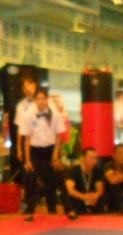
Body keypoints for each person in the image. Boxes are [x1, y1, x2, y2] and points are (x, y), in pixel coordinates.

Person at [18, 89, 65, 221]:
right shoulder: (29, 114)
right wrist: (28, 160)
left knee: (55, 179)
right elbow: (27, 139)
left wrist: (55, 155)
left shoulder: (54, 114)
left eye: (43, 98)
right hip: (35, 151)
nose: (41, 101)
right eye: (38, 99)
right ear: (35, 101)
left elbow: (59, 136)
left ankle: (57, 208)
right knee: (31, 179)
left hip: (51, 150)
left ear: (47, 100)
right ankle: (30, 210)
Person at [64, 147, 104, 220]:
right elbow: (70, 189)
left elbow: (100, 189)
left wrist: (95, 196)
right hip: (79, 197)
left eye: (95, 158)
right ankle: (73, 212)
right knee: (67, 194)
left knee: (103, 196)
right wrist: (84, 197)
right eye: (91, 158)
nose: (94, 161)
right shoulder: (74, 170)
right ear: (83, 158)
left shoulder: (97, 171)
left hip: (92, 198)